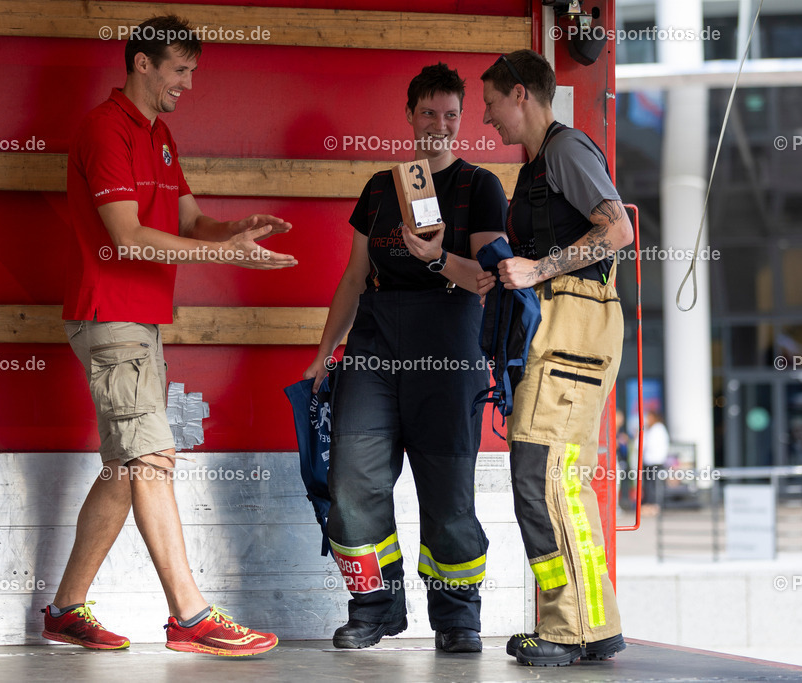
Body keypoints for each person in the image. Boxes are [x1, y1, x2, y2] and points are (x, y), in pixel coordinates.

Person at [43, 14, 296, 656]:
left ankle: (66, 609)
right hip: (111, 317)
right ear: (142, 63)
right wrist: (224, 256)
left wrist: (236, 230)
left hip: (142, 321)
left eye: (191, 71)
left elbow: (189, 219)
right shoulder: (106, 131)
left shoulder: (159, 134)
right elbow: (126, 237)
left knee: (128, 467)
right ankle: (191, 616)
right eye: (179, 69)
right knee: (152, 459)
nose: (187, 82)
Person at [303, 63, 507, 653]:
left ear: (461, 118)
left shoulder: (479, 186)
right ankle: (373, 606)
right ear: (410, 115)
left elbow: (486, 282)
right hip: (374, 343)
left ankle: (457, 617)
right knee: (352, 479)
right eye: (429, 114)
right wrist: (326, 352)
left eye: (451, 115)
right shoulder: (378, 188)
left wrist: (439, 257)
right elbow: (353, 277)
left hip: (449, 345)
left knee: (448, 490)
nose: (439, 125)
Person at [477, 50, 634, 667]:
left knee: (543, 476)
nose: (487, 118)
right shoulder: (538, 166)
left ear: (521, 94)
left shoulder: (565, 151)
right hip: (559, 332)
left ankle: (574, 628)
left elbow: (617, 230)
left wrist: (538, 268)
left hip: (575, 329)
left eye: (490, 104)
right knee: (553, 479)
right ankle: (587, 624)